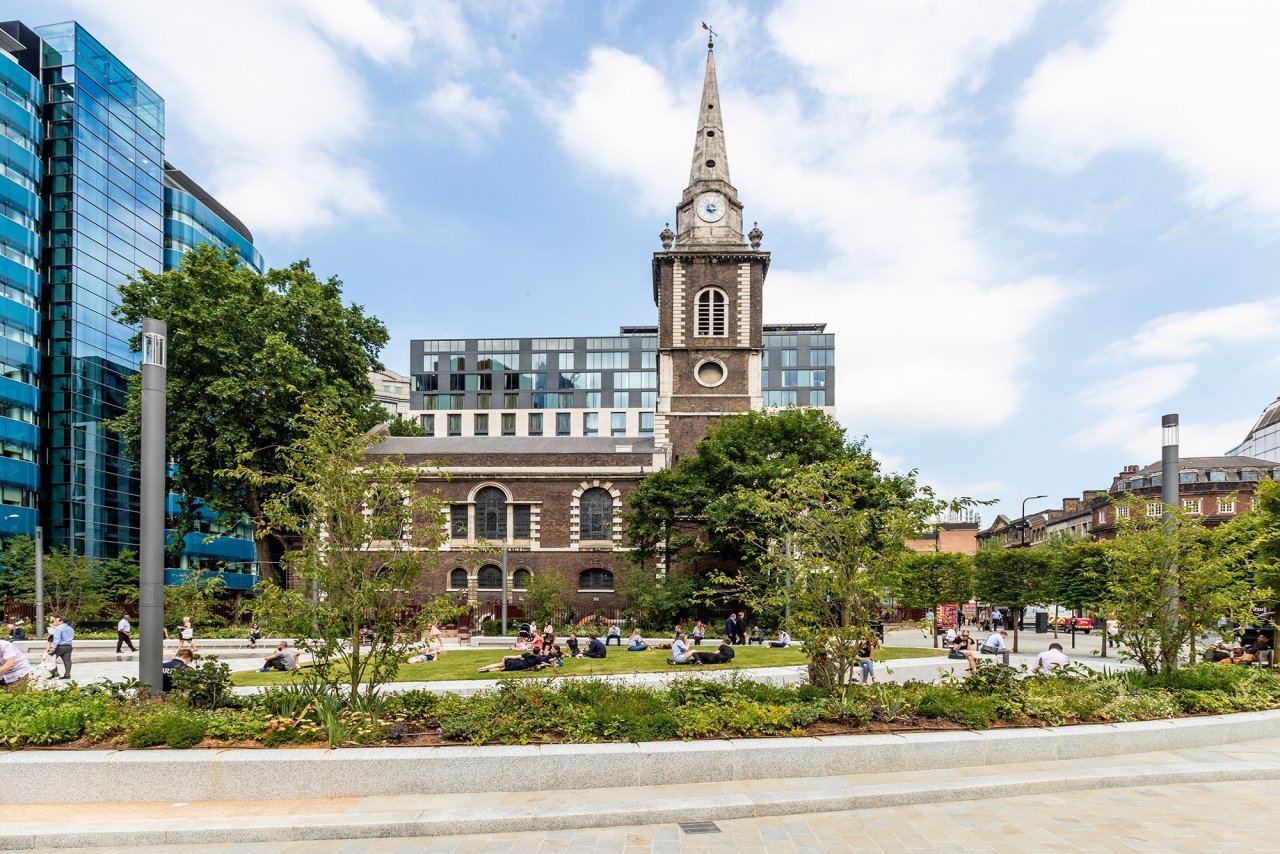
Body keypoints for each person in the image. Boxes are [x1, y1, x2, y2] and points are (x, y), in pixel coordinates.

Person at [47, 615, 74, 679]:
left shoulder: (58, 628)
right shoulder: (71, 628)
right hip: (69, 646)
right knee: (67, 661)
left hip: (60, 647)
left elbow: (57, 639)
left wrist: (53, 647)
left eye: (57, 621)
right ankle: (67, 675)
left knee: (50, 658)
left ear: (61, 621)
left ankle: (53, 673)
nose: (56, 622)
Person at [477, 650, 551, 673]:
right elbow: (543, 664)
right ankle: (488, 670)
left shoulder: (527, 654)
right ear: (539, 653)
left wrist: (506, 656)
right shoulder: (538, 659)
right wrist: (550, 664)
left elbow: (515, 657)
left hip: (516, 662)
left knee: (498, 665)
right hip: (519, 666)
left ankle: (482, 668)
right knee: (501, 669)